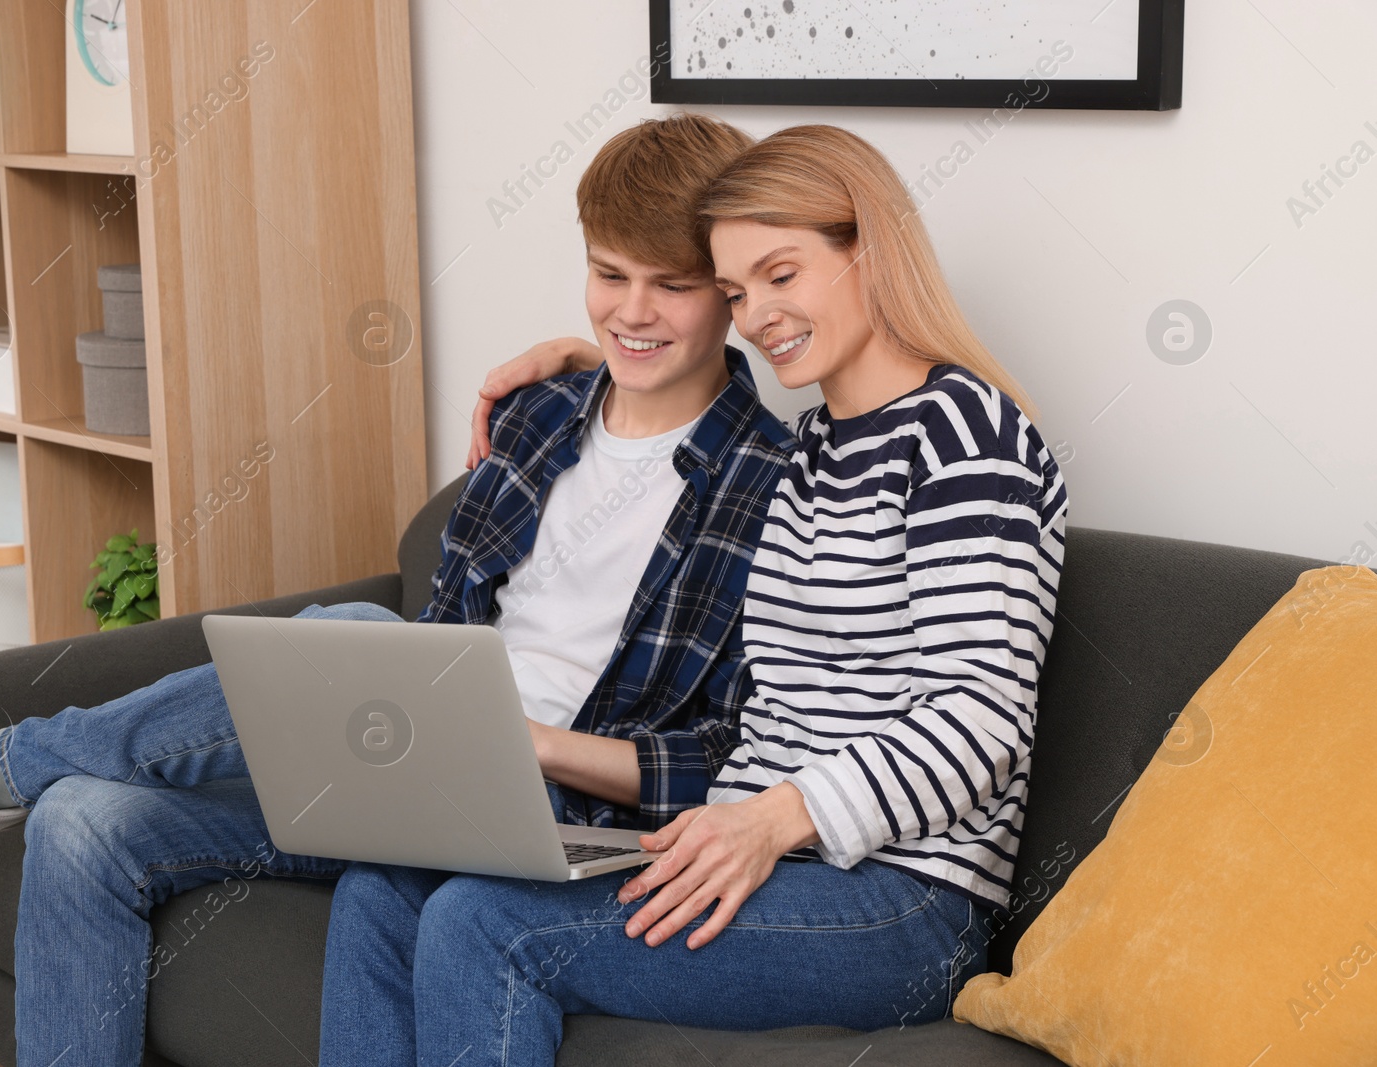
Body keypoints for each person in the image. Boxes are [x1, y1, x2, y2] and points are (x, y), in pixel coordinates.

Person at [0, 114, 799, 1067]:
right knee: (86, 817)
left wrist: (517, 739)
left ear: (731, 289)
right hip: (410, 753)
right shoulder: (539, 412)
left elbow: (719, 754)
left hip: (554, 801)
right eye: (607, 273)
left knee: (354, 627)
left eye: (669, 284)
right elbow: (448, 621)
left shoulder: (774, 486)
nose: (630, 310)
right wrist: (418, 705)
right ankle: (9, 774)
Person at [316, 124, 1069, 1067]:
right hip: (744, 849)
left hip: (898, 897)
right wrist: (584, 366)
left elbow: (979, 720)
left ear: (866, 250)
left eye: (782, 275)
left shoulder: (963, 434)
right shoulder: (812, 458)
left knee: (484, 922)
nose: (758, 317)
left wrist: (773, 817)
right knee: (385, 885)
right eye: (737, 291)